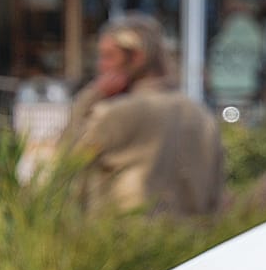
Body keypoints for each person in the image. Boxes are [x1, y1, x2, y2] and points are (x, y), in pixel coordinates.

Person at [57, 15, 225, 217]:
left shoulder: (116, 113)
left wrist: (91, 97)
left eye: (109, 56)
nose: (102, 66)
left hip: (127, 239)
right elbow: (216, 194)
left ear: (137, 57)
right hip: (194, 241)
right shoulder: (201, 115)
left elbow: (65, 164)